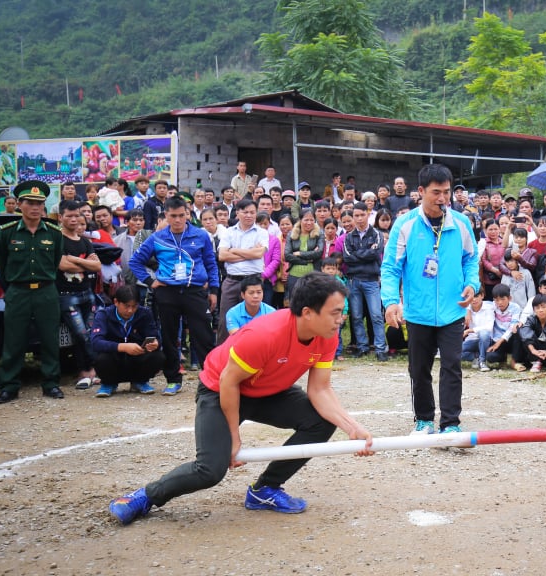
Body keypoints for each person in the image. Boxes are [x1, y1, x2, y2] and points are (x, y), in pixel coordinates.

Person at [108, 273, 375, 525]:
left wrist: (352, 427)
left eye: (341, 312)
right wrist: (234, 436)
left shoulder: (326, 336)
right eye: (335, 312)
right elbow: (229, 381)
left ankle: (265, 489)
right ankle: (145, 496)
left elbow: (320, 390)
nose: (340, 319)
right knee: (210, 470)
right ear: (307, 312)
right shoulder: (265, 334)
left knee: (322, 422)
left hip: (268, 391)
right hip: (220, 389)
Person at [381, 164, 480, 435]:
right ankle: (424, 420)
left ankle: (451, 423)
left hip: (453, 309)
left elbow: (471, 259)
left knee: (452, 366)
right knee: (419, 369)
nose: (442, 198)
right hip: (418, 311)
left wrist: (472, 284)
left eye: (446, 192)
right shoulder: (405, 225)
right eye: (436, 192)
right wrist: (391, 301)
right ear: (421, 191)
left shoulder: (461, 223)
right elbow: (390, 267)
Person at [129, 196, 220, 396]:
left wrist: (214, 290)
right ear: (166, 216)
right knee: (169, 337)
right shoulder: (157, 238)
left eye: (181, 215)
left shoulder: (201, 235)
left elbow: (211, 264)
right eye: (173, 216)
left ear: (187, 214)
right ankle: (173, 380)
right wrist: (151, 282)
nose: (178, 220)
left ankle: (211, 379)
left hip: (195, 291)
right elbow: (135, 261)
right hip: (167, 293)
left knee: (204, 335)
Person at [0, 181, 65, 404]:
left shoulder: (54, 233)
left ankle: (51, 383)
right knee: (13, 340)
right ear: (19, 204)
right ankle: (9, 386)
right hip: (18, 292)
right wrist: (15, 285)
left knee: (50, 339)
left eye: (39, 203)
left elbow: (55, 261)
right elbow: (2, 264)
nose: (35, 207)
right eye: (30, 203)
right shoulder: (6, 233)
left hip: (46, 291)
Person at [56, 201, 102, 390]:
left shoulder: (84, 241)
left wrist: (73, 259)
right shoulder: (57, 240)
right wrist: (85, 263)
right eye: (69, 216)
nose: (74, 219)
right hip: (67, 295)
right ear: (60, 217)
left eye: (77, 216)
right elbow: (62, 265)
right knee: (80, 334)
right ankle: (91, 369)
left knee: (89, 333)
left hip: (87, 293)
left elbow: (97, 266)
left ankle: (86, 371)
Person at [90, 284, 164, 397]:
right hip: (113, 358)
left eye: (134, 306)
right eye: (126, 306)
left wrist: (155, 344)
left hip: (137, 356)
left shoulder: (144, 313)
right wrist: (122, 347)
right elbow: (96, 342)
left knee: (158, 356)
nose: (130, 310)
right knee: (101, 358)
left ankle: (140, 381)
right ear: (116, 302)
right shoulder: (103, 314)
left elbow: (154, 336)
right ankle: (108, 383)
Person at [216, 198, 268, 343]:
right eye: (245, 212)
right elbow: (222, 256)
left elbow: (259, 254)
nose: (249, 215)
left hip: (253, 280)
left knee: (254, 321)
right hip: (232, 280)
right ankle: (224, 353)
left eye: (252, 212)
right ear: (237, 213)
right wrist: (250, 253)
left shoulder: (262, 232)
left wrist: (234, 250)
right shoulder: (229, 232)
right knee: (225, 320)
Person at [343, 202, 388, 361]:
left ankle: (380, 348)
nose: (360, 218)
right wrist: (367, 253)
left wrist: (359, 255)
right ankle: (362, 347)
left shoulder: (377, 234)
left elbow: (376, 253)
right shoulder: (349, 237)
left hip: (371, 280)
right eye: (356, 215)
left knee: (376, 315)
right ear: (353, 217)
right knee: (356, 316)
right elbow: (347, 258)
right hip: (353, 280)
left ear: (368, 215)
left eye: (362, 215)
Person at [461, 292, 495, 372]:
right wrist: (467, 309)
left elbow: (489, 327)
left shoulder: (489, 307)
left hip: (486, 339)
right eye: (471, 297)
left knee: (483, 333)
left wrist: (469, 330)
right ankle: (476, 357)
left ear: (482, 295)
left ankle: (482, 361)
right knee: (453, 352)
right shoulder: (465, 309)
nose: (474, 299)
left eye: (476, 296)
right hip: (472, 339)